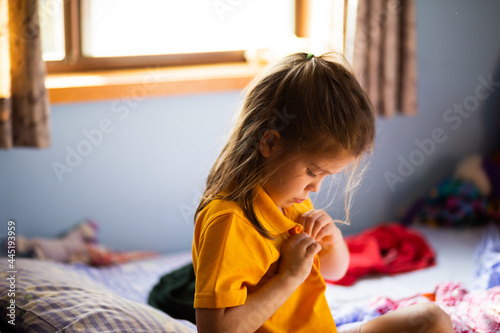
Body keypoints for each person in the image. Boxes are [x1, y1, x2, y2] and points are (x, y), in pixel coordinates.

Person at [192, 52, 453, 333]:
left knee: (432, 319)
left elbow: (335, 271)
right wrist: (289, 277)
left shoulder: (289, 202)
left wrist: (332, 241)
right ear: (269, 142)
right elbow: (216, 330)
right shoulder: (230, 221)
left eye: (325, 176)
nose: (316, 187)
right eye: (313, 172)